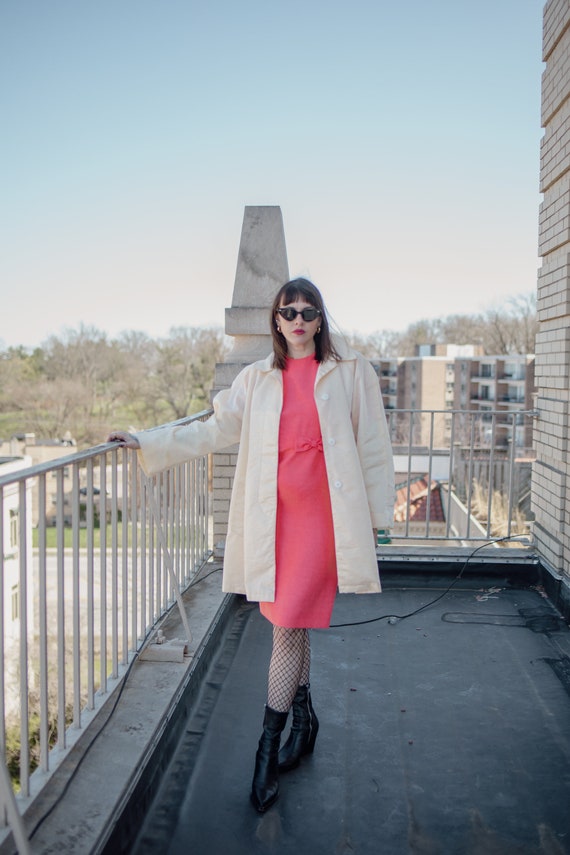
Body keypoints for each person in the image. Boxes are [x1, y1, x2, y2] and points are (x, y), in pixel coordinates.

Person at [107, 277, 395, 813]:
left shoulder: (352, 370)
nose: (299, 320)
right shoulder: (258, 378)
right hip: (275, 518)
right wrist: (145, 440)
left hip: (323, 520)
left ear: (320, 316)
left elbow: (373, 445)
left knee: (285, 625)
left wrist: (378, 519)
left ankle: (265, 752)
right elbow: (213, 430)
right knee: (294, 619)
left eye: (308, 310)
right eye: (289, 312)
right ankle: (304, 722)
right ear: (277, 320)